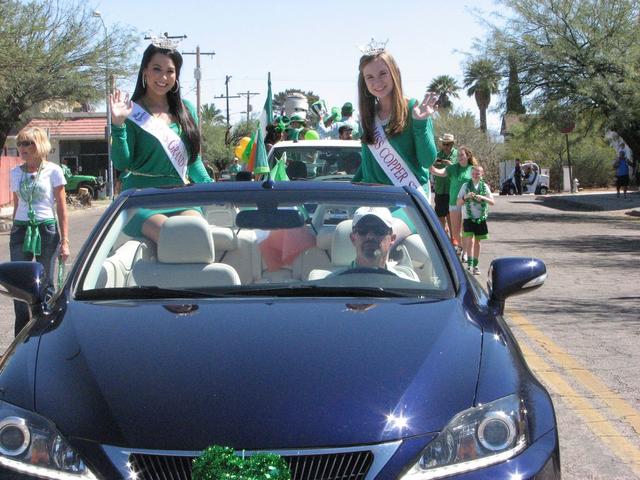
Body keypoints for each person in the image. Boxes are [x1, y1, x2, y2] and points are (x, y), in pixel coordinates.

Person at [109, 42, 213, 242]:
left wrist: (210, 186)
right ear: (145, 71)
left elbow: (192, 160)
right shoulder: (131, 111)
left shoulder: (186, 110)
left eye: (170, 71)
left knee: (197, 233)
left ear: (176, 76)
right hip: (141, 198)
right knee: (170, 235)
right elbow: (122, 163)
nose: (163, 77)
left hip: (180, 196)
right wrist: (118, 125)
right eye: (157, 69)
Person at [352, 48, 438, 202]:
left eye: (383, 73)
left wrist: (420, 124)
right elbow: (368, 165)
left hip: (408, 197)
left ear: (395, 73)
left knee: (385, 226)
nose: (377, 82)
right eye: (369, 77)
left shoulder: (414, 109)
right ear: (363, 82)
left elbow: (427, 160)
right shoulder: (367, 117)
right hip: (374, 198)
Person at [10, 127, 70, 335]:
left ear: (40, 145)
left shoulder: (54, 170)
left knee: (46, 284)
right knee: (18, 283)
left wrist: (65, 241)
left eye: (28, 143)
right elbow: (18, 205)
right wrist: (14, 227)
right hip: (21, 230)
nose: (22, 148)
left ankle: (46, 331)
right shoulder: (15, 172)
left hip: (46, 229)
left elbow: (62, 208)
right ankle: (21, 335)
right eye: (20, 143)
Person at [343, 207, 419, 281]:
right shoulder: (334, 283)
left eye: (378, 230)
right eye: (363, 230)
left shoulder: (405, 286)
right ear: (353, 239)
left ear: (392, 239)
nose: (370, 236)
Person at [430, 146, 476, 256]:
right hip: (454, 203)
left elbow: (479, 185)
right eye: (458, 155)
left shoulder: (473, 169)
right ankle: (459, 247)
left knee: (467, 231)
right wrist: (429, 164)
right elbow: (438, 172)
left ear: (468, 156)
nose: (459, 157)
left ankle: (465, 253)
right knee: (455, 232)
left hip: (468, 204)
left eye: (462, 155)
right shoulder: (453, 168)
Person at [457, 165, 495, 275]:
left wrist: (483, 198)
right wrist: (466, 197)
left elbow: (492, 202)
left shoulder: (484, 186)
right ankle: (469, 265)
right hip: (468, 217)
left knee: (477, 242)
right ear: (470, 174)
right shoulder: (465, 186)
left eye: (478, 173)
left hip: (480, 218)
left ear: (482, 174)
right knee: (470, 240)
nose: (475, 175)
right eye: (473, 173)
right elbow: (458, 202)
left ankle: (476, 265)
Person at [433, 133, 458, 236]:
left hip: (452, 190)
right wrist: (435, 162)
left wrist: (450, 165)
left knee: (450, 216)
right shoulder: (437, 155)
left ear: (452, 144)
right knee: (440, 216)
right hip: (439, 189)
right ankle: (444, 239)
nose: (445, 146)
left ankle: (454, 241)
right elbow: (430, 166)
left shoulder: (458, 155)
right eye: (444, 144)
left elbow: (461, 170)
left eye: (448, 144)